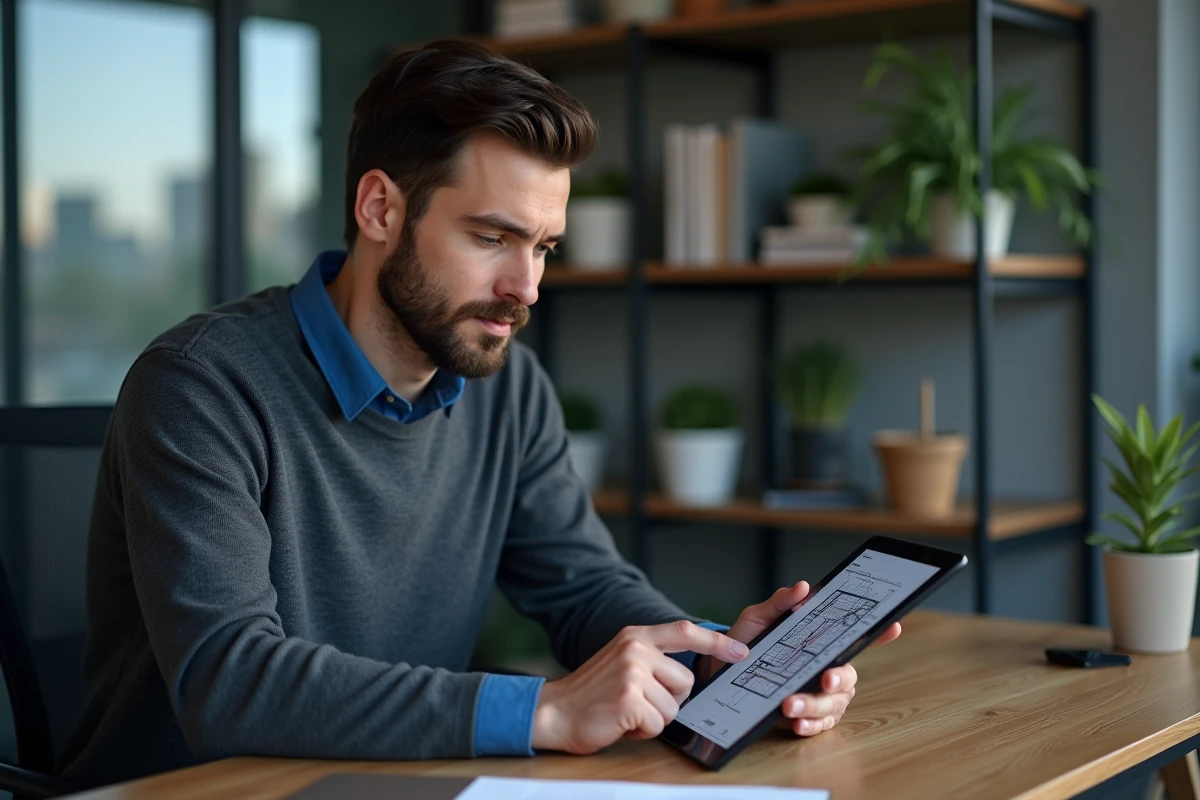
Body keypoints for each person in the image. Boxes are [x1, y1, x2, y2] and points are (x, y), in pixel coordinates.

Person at [58, 38, 900, 790]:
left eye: (543, 247)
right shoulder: (201, 385)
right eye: (493, 238)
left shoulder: (511, 389)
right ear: (380, 209)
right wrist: (546, 711)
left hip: (390, 783)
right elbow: (229, 682)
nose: (526, 289)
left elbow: (581, 589)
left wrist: (720, 660)